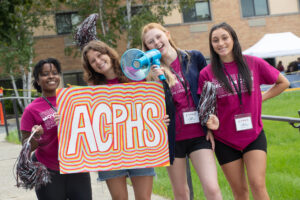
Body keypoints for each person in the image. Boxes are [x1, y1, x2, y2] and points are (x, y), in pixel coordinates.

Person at [198, 22, 290, 200]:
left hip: (253, 134)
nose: (221, 43)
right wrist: (209, 121)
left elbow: (283, 82)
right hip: (225, 139)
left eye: (225, 38)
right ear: (211, 45)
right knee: (240, 192)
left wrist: (261, 97)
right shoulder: (207, 73)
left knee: (258, 185)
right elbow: (206, 107)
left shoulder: (253, 63)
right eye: (215, 40)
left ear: (233, 39)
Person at [141, 22, 223, 200]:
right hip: (172, 138)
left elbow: (209, 90)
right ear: (147, 48)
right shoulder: (149, 73)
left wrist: (209, 122)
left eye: (158, 37)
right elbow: (149, 107)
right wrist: (155, 82)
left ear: (167, 34)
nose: (156, 42)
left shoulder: (194, 57)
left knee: (212, 188)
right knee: (180, 193)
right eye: (150, 42)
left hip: (199, 135)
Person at [81, 40, 157, 200]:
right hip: (110, 151)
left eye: (100, 56)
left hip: (139, 146)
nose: (98, 62)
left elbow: (148, 106)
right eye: (93, 61)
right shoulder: (93, 88)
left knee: (144, 198)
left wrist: (157, 120)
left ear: (108, 53)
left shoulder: (134, 73)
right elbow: (88, 120)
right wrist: (67, 119)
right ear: (90, 67)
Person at [20, 58, 92, 200]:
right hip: (48, 170)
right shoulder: (31, 109)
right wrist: (37, 135)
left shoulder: (73, 99)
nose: (51, 76)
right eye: (45, 74)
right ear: (38, 80)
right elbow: (26, 146)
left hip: (77, 167)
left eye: (54, 72)